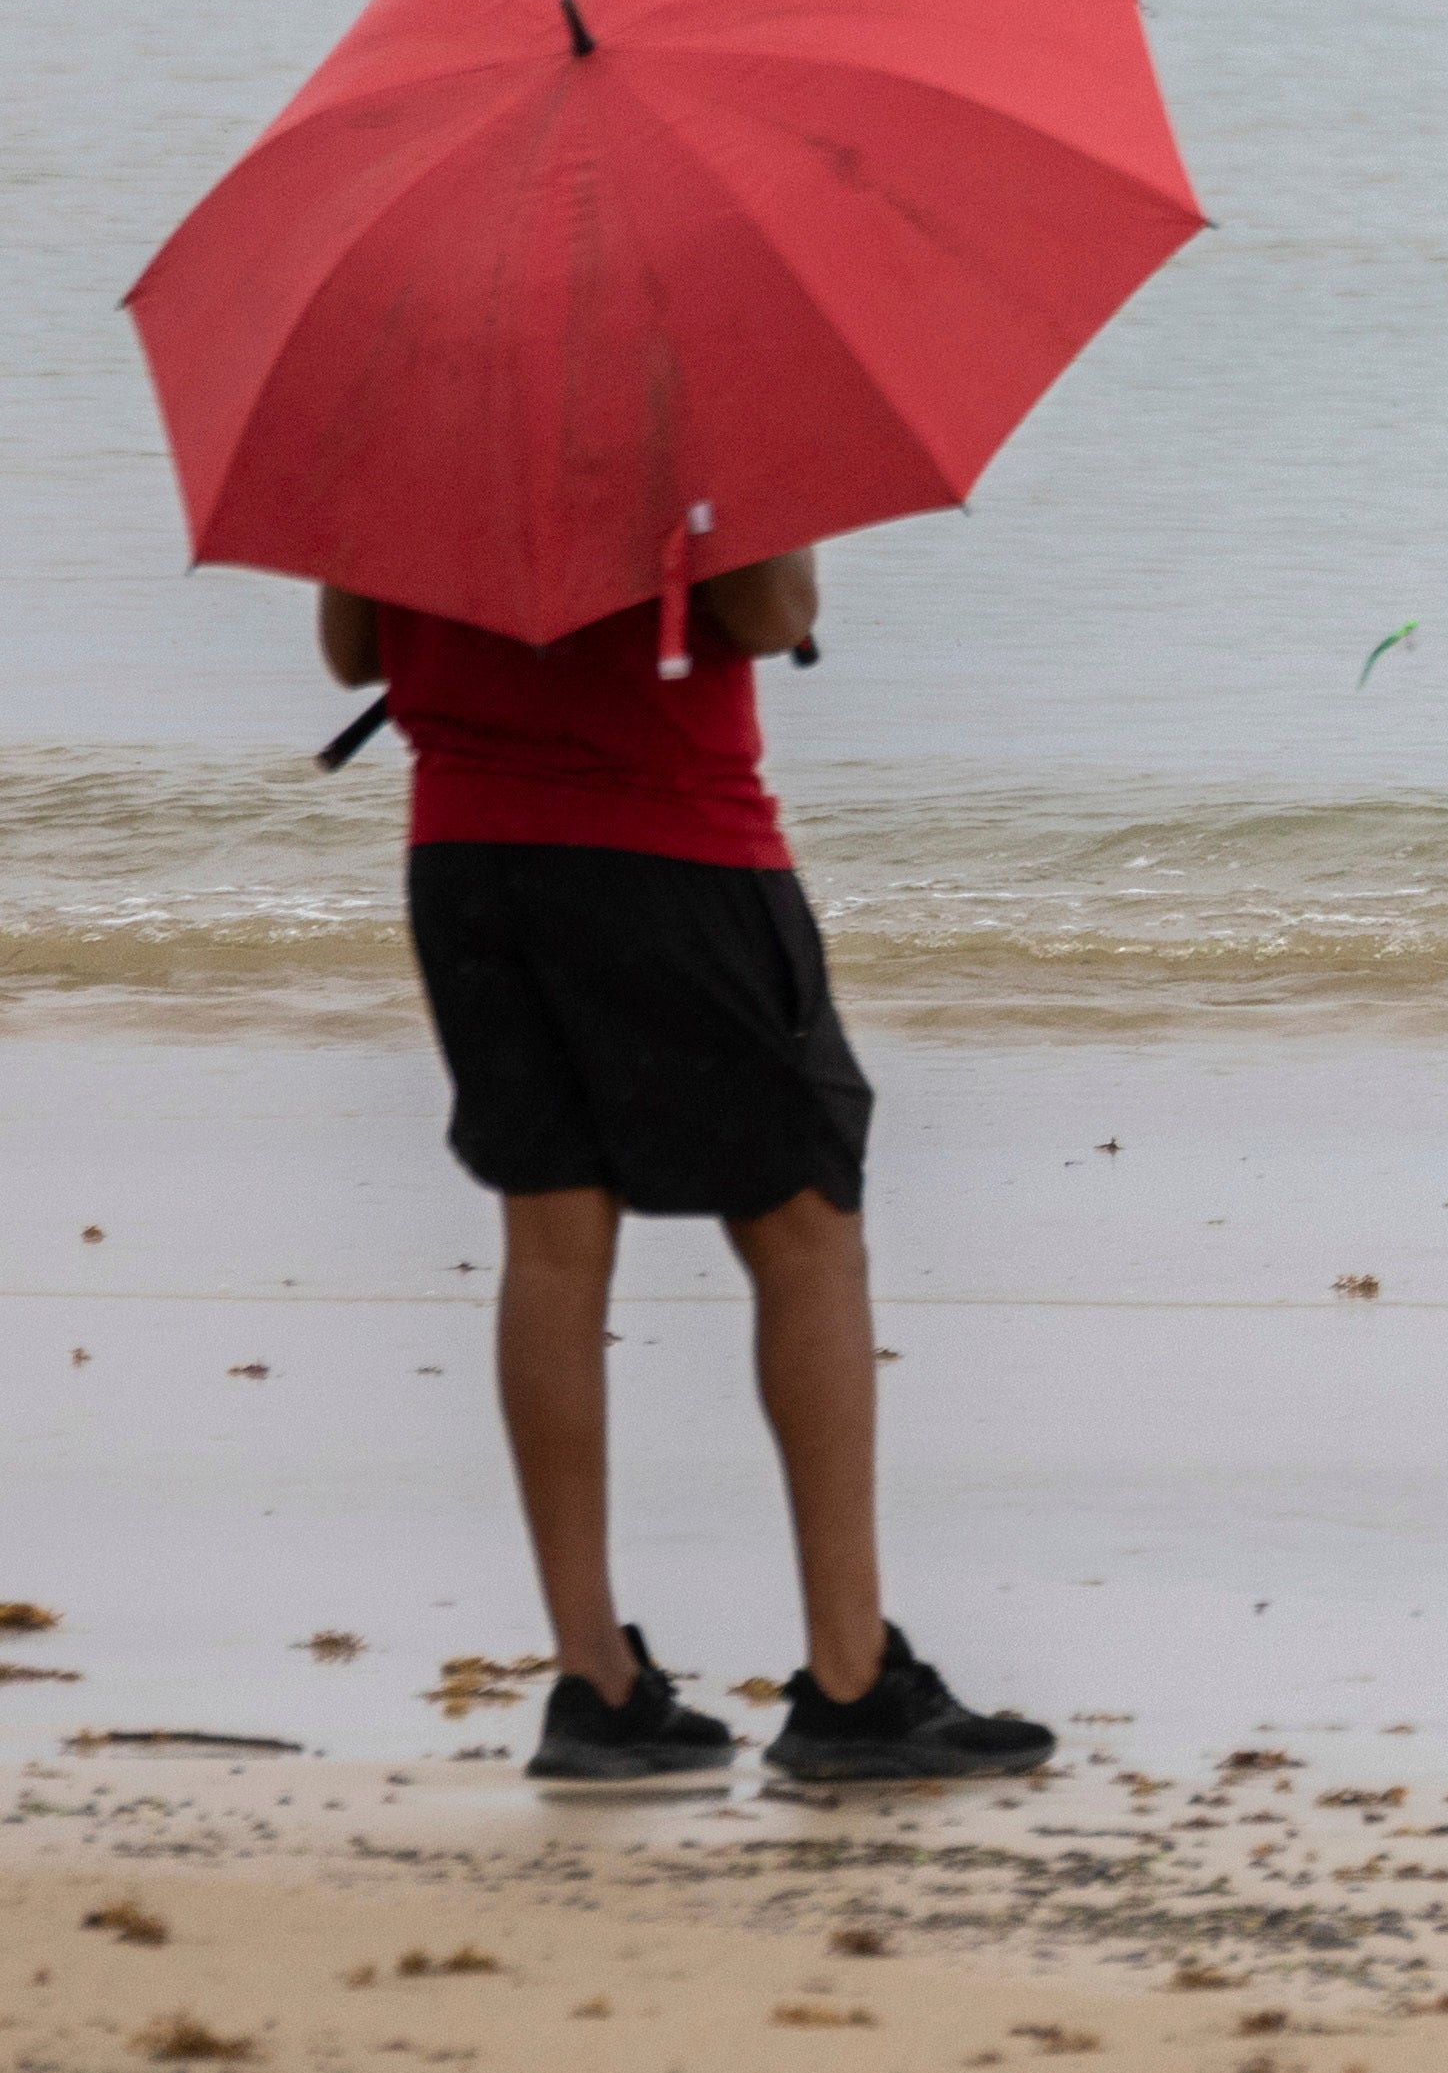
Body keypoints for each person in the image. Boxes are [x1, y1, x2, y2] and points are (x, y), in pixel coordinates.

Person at [317, 551, 1057, 1782]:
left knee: (551, 1240)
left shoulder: (397, 425)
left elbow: (354, 655)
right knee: (806, 1225)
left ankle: (595, 1682)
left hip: (467, 852)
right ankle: (851, 1679)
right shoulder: (683, 421)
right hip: (668, 838)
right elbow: (768, 614)